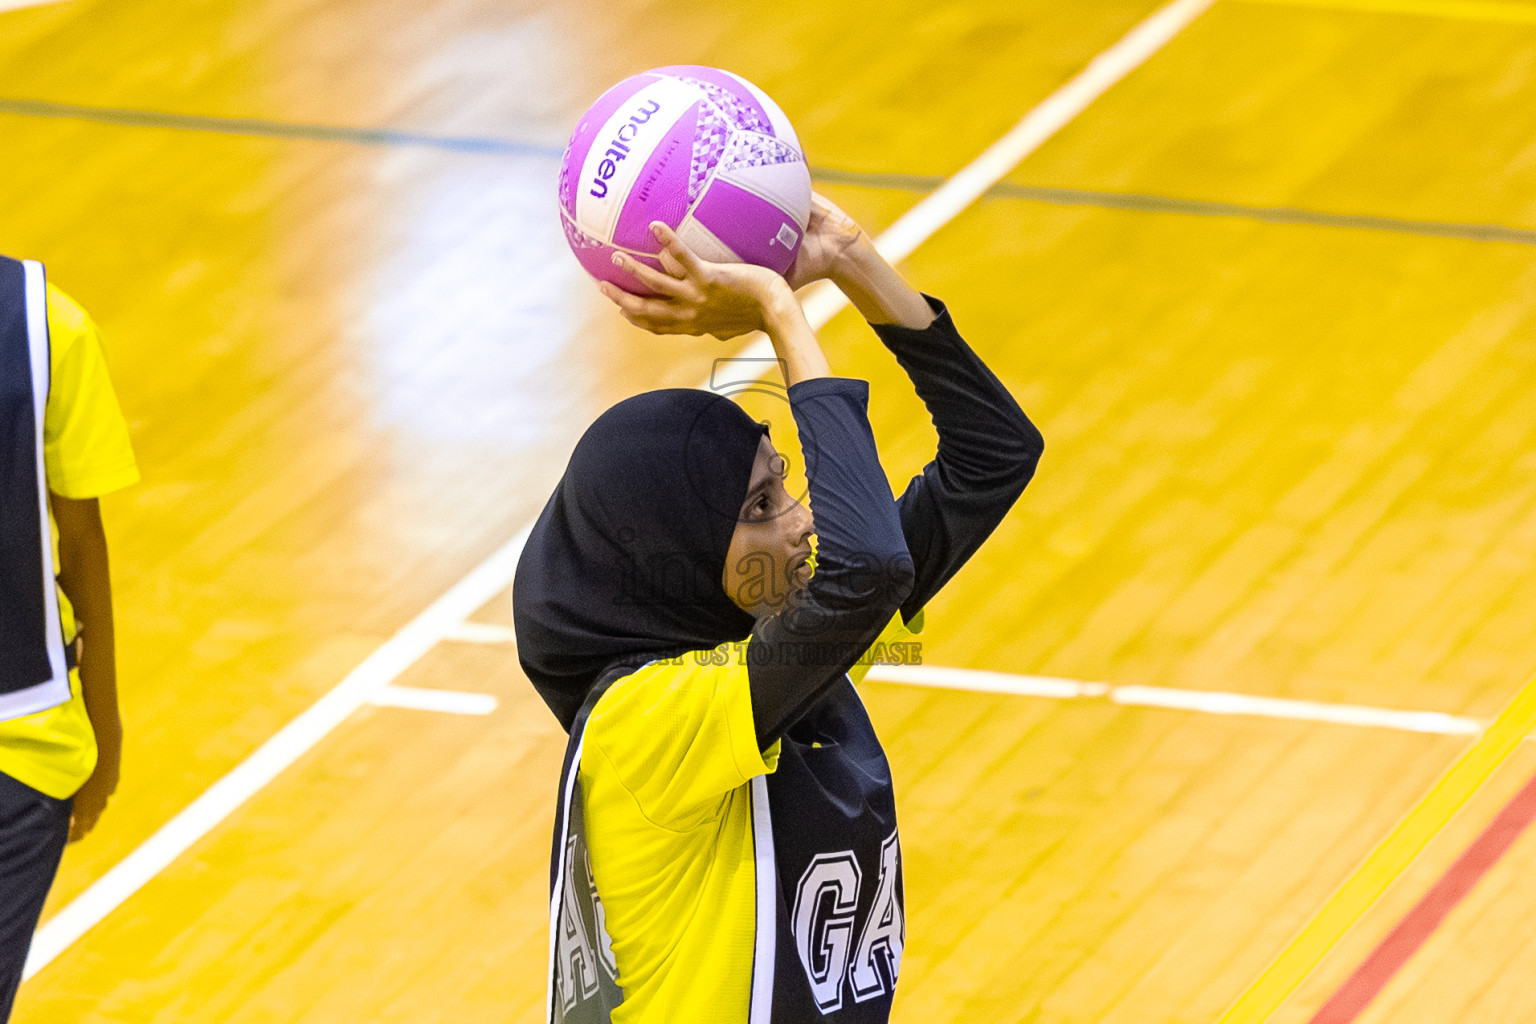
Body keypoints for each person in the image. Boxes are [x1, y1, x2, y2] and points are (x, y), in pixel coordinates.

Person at [513, 195, 1042, 1023]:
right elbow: (867, 567)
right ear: (675, 554)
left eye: (784, 483)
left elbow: (995, 458)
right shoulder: (646, 723)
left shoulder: (772, 660)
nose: (800, 524)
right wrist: (777, 308)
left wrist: (852, 264)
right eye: (760, 508)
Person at [0, 256, 137, 1018]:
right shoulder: (50, 321)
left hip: (19, 752)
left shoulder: (50, 326)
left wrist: (104, 721)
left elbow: (81, 537)